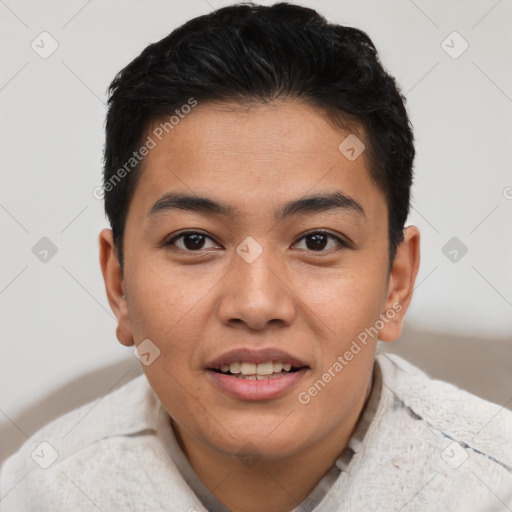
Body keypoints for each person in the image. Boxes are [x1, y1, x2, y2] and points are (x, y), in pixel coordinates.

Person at [1, 3, 511, 511]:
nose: (256, 302)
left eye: (317, 241)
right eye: (194, 241)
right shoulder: (38, 492)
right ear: (119, 284)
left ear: (395, 284)